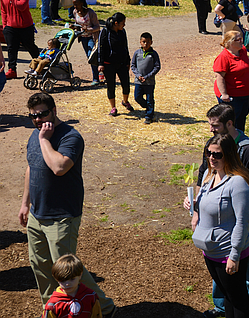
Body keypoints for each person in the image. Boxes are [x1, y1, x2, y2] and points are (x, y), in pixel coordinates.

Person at [19, 93, 117, 317]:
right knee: (40, 266)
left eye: (42, 113)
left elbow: (59, 167)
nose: (38, 119)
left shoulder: (70, 137)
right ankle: (52, 309)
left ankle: (105, 307)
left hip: (62, 215)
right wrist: (25, 203)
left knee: (68, 270)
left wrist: (44, 140)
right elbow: (31, 168)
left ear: (54, 110)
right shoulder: (35, 135)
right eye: (33, 116)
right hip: (37, 213)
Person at [185, 104, 249, 318]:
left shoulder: (247, 151)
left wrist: (244, 215)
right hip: (213, 244)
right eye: (209, 154)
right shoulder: (213, 163)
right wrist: (196, 210)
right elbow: (201, 180)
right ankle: (222, 307)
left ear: (229, 124)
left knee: (241, 282)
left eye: (216, 126)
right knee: (227, 288)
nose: (211, 157)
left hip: (231, 241)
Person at [192, 134, 249, 318]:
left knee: (238, 300)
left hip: (228, 252)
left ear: (228, 155)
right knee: (228, 296)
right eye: (209, 153)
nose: (212, 158)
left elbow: (242, 221)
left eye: (217, 155)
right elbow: (206, 210)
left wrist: (234, 255)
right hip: (210, 250)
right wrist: (193, 206)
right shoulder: (208, 176)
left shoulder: (238, 183)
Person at [213, 31, 249, 132]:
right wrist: (224, 94)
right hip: (231, 98)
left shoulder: (242, 51)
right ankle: (227, 143)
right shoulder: (223, 57)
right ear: (230, 42)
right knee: (230, 122)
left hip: (245, 94)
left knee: (241, 118)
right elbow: (219, 77)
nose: (242, 41)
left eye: (241, 38)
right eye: (238, 39)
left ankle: (238, 141)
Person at [1, 0, 40, 79]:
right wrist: (5, 25)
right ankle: (12, 70)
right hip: (10, 27)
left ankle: (40, 65)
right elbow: (3, 11)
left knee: (30, 46)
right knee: (11, 48)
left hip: (25, 26)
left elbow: (22, 6)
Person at [42, 254, 102, 318]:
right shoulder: (53, 304)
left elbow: (97, 315)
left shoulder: (90, 296)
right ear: (56, 279)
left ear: (80, 275)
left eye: (72, 279)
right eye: (63, 281)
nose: (67, 284)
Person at [98, 12, 133, 116]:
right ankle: (113, 108)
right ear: (116, 23)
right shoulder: (105, 32)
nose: (124, 25)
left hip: (122, 63)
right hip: (108, 64)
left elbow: (125, 47)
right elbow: (100, 48)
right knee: (111, 86)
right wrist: (100, 63)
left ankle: (125, 101)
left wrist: (128, 61)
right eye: (123, 23)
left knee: (126, 84)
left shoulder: (123, 32)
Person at [130, 32, 161, 124]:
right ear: (140, 42)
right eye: (143, 42)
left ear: (151, 42)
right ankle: (146, 107)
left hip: (149, 82)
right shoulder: (137, 53)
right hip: (138, 81)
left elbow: (157, 67)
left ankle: (149, 116)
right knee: (137, 97)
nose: (145, 44)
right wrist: (138, 75)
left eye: (148, 42)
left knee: (150, 99)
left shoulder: (153, 54)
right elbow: (133, 65)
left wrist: (147, 76)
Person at [71, 0, 101, 86]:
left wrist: (88, 29)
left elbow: (97, 27)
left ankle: (96, 78)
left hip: (92, 37)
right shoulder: (75, 12)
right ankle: (98, 75)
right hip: (83, 38)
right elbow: (77, 23)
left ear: (82, 3)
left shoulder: (90, 13)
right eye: (74, 5)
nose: (75, 6)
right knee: (89, 58)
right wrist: (74, 27)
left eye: (76, 4)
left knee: (91, 57)